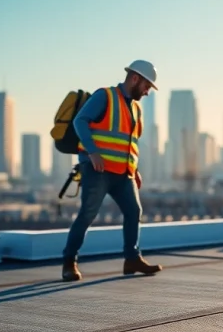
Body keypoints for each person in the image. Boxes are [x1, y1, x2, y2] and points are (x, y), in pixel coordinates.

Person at [61, 60, 163, 281]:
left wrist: (134, 169)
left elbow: (130, 142)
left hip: (123, 173)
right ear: (135, 78)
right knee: (88, 214)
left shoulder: (136, 108)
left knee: (134, 211)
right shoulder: (104, 96)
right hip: (97, 169)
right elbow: (80, 121)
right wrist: (93, 152)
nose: (147, 92)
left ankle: (132, 259)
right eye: (147, 86)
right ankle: (69, 261)